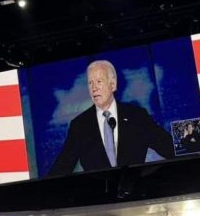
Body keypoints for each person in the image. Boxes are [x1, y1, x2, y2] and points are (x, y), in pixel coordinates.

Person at [46, 60, 174, 176]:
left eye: (99, 81)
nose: (94, 88)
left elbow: (169, 148)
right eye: (90, 83)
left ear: (112, 84)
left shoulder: (136, 116)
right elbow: (61, 168)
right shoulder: (79, 125)